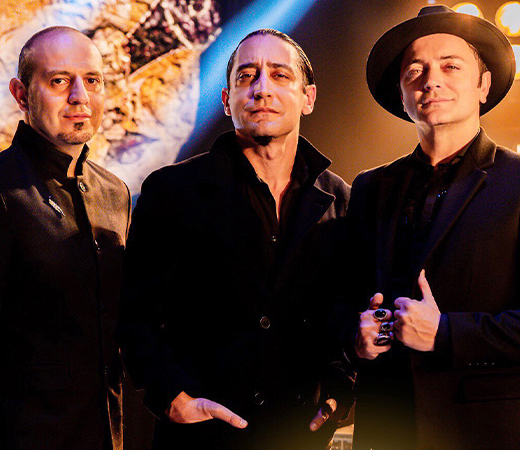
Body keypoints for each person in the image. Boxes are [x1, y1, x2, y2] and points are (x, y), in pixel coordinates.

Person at [346, 5, 520, 450]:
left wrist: (447, 333)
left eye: (450, 66)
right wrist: (356, 336)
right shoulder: (369, 187)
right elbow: (340, 300)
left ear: (483, 85)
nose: (431, 80)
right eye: (415, 70)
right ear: (402, 93)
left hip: (484, 432)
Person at [116, 29, 352, 450]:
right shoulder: (172, 191)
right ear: (226, 100)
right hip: (200, 438)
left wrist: (340, 389)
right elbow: (133, 313)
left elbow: (350, 311)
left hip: (298, 435)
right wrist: (171, 396)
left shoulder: (342, 200)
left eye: (280, 75)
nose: (262, 88)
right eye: (247, 76)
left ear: (308, 97)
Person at [0, 27, 129, 450]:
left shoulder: (114, 193)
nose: (80, 96)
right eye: (59, 80)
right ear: (21, 94)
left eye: (93, 80)